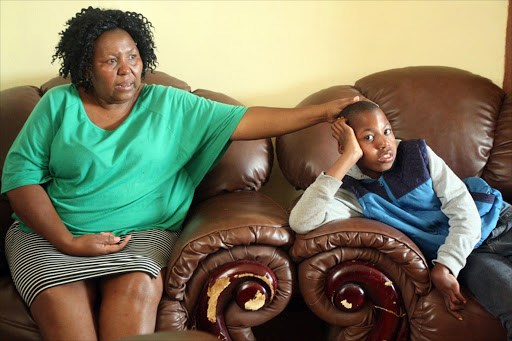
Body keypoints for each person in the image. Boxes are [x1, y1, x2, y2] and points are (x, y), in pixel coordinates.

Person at [0, 7, 360, 341]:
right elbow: (21, 178)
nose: (127, 69)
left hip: (138, 236)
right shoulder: (57, 104)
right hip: (49, 235)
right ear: (85, 68)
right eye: (111, 61)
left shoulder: (169, 104)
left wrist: (323, 112)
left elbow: (248, 119)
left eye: (133, 57)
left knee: (138, 285)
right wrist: (67, 241)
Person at [289, 100, 512, 339]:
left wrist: (445, 265)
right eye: (368, 138)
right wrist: (348, 157)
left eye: (386, 131)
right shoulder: (353, 194)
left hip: (498, 222)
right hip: (472, 256)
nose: (385, 144)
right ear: (346, 145)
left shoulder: (417, 155)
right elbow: (301, 221)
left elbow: (463, 209)